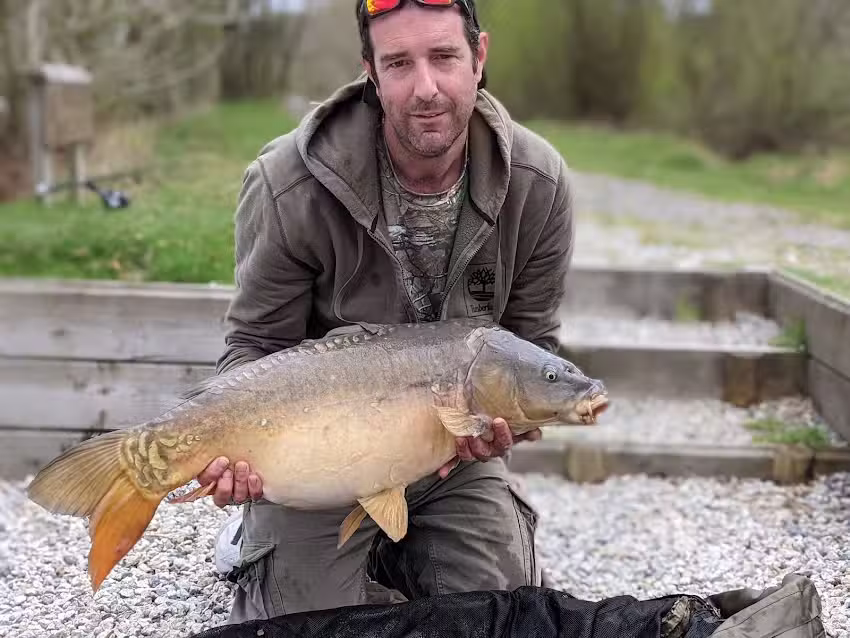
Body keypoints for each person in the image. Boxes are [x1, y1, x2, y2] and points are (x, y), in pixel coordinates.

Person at [197, 0, 576, 623]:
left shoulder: (539, 182)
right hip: (321, 458)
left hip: (450, 458)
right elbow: (254, 347)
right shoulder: (287, 183)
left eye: (444, 57)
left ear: (479, 58)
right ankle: (262, 537)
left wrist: (519, 421)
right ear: (370, 71)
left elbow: (532, 346)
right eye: (399, 63)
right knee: (304, 624)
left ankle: (396, 549)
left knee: (502, 614)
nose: (426, 88)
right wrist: (235, 452)